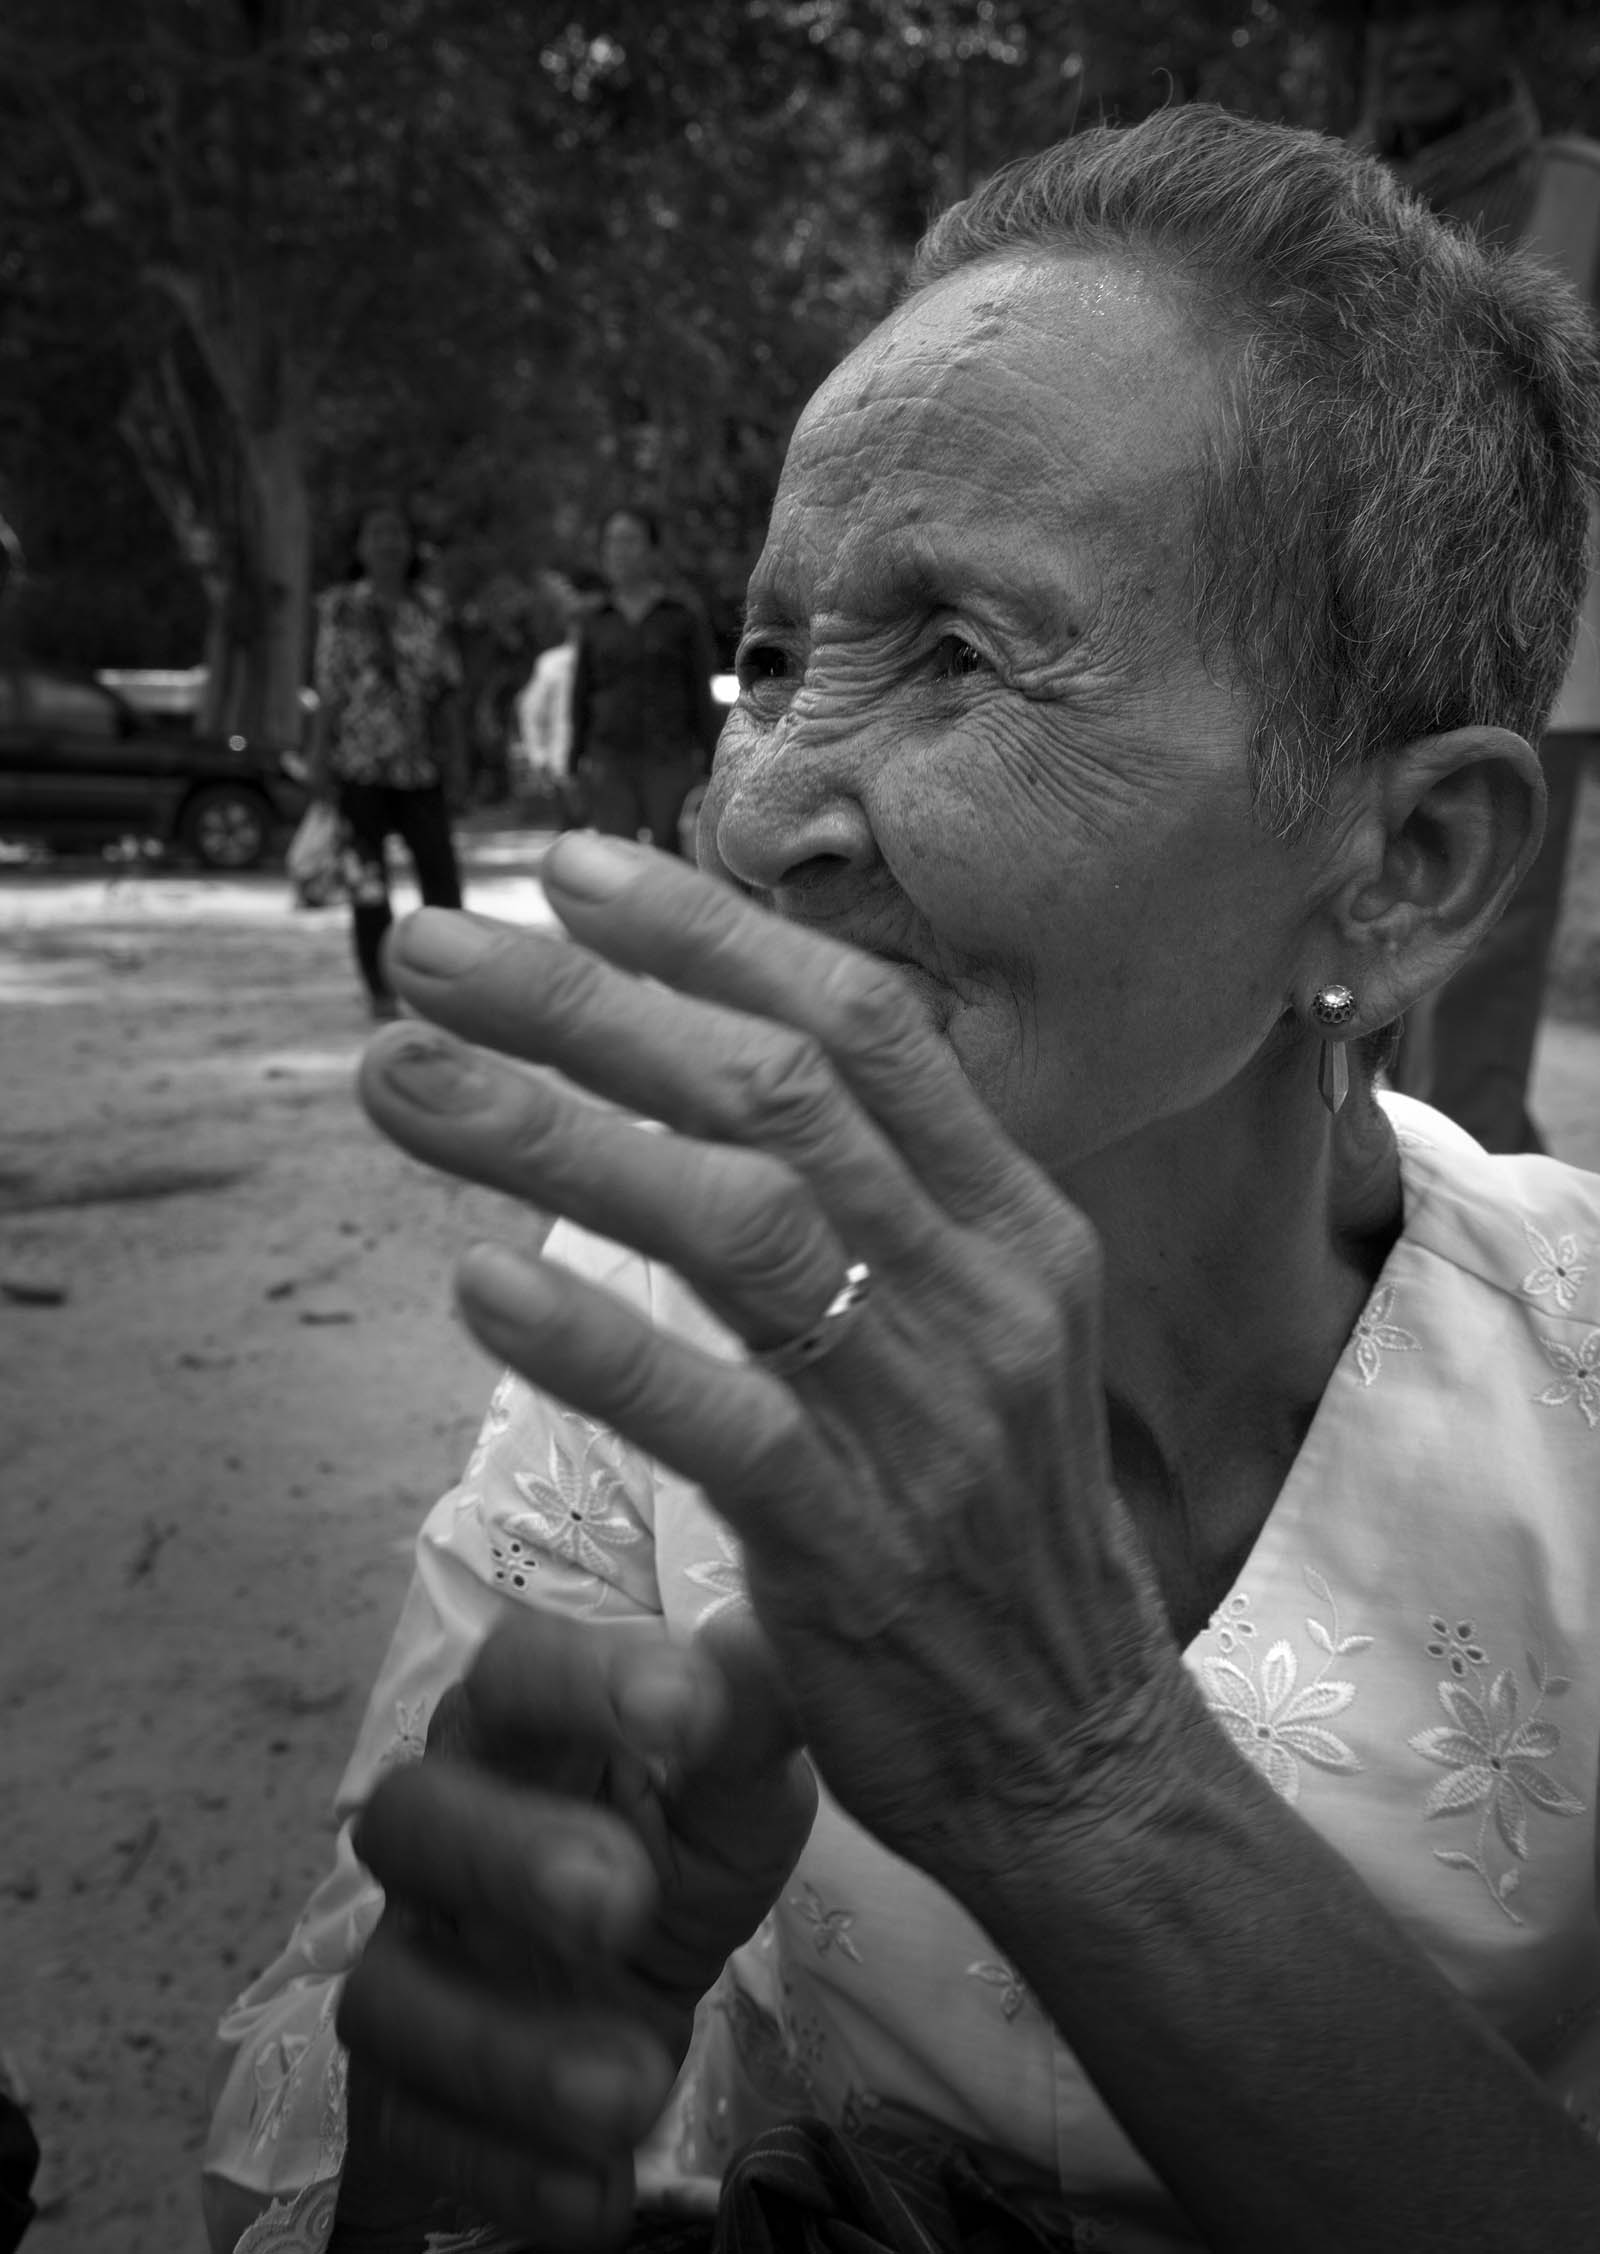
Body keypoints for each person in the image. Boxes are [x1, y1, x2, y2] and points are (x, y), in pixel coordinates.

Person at [203, 107, 1600, 2254]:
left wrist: (1083, 1770)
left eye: (957, 653)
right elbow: (348, 2146)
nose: (766, 811)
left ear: (1404, 864)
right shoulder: (671, 1310)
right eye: (770, 662)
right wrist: (476, 2097)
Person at [1359, 0, 1600, 1150]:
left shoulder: (1580, 195)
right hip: (1362, 636)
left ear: (1504, 32)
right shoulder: (1345, 201)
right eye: (1388, 18)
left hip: (1540, 650)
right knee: (1366, 938)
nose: (1409, 38)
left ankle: (1486, 1215)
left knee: (1481, 958)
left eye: (1441, 10)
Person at [305, 498, 466, 1019]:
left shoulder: (432, 609)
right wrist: (318, 757)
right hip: (359, 767)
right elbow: (329, 689)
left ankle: (450, 981)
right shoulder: (339, 609)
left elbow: (448, 690)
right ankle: (379, 987)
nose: (387, 543)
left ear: (411, 544)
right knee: (367, 885)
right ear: (360, 546)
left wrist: (458, 761)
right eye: (376, 533)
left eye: (396, 532)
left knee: (441, 880)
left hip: (421, 767)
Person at [570, 508, 721, 852]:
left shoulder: (681, 616)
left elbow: (701, 693)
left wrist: (714, 759)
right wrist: (573, 762)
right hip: (610, 759)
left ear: (652, 550)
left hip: (670, 758)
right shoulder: (595, 622)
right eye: (611, 541)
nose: (618, 551)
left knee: (671, 859)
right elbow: (580, 697)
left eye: (629, 540)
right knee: (616, 860)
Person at [514, 567, 609, 811]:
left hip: (609, 762)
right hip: (566, 765)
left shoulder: (613, 660)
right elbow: (531, 712)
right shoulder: (553, 663)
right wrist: (538, 757)